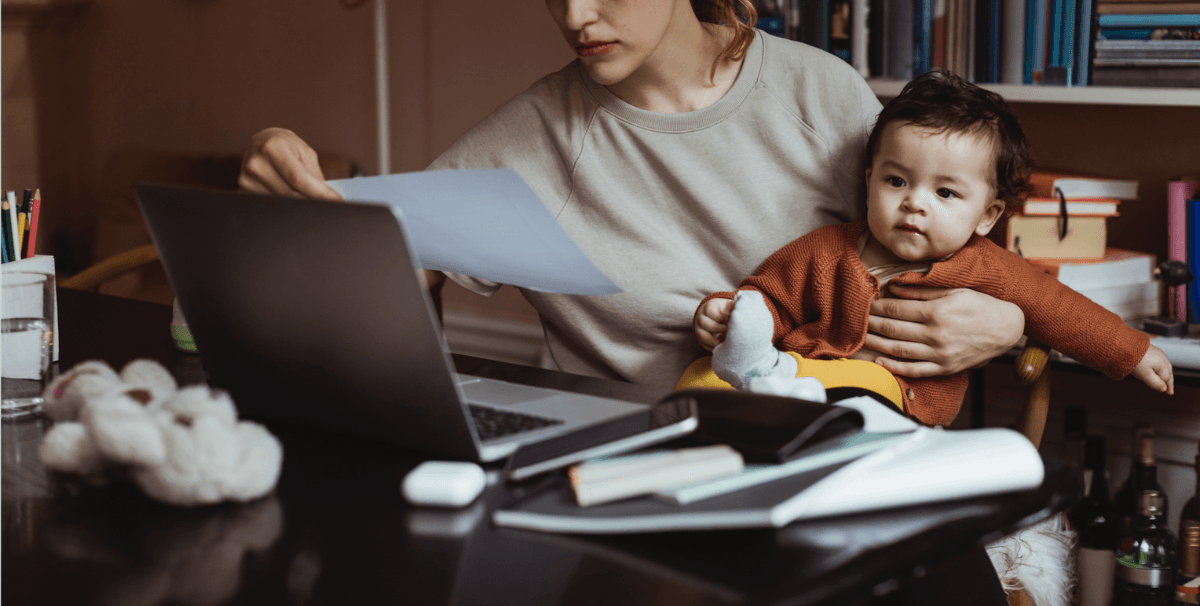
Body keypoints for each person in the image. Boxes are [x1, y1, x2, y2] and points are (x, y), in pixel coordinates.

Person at [239, 0, 1028, 397]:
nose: (576, 17)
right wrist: (297, 204)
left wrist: (1010, 319)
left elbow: (951, 244)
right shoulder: (533, 135)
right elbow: (387, 275)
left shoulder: (819, 92)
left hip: (836, 449)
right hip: (635, 474)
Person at [685, 70, 1175, 425]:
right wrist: (729, 316)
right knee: (696, 380)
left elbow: (1060, 310)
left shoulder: (987, 267)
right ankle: (755, 392)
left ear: (987, 216)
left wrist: (1132, 352)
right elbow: (770, 297)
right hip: (797, 373)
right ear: (869, 180)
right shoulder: (826, 249)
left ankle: (782, 399)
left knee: (864, 387)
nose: (914, 203)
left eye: (945, 193)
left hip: (896, 399)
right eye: (897, 180)